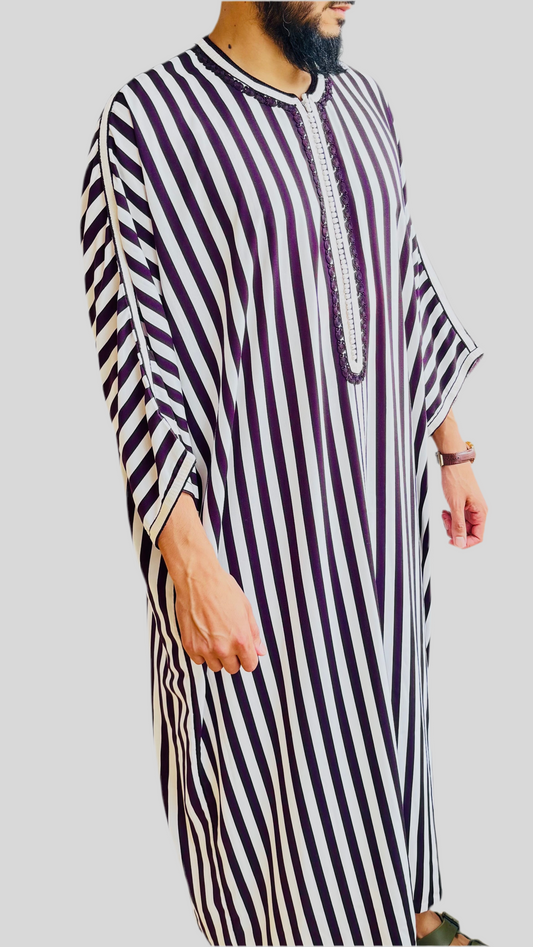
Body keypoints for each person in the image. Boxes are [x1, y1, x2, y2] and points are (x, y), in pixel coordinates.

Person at [80, 3, 489, 944]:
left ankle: (415, 919)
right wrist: (192, 565)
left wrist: (452, 444)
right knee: (275, 814)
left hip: (379, 536)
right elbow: (136, 361)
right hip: (257, 550)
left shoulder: (364, 103)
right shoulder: (149, 122)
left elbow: (400, 279)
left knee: (391, 751)